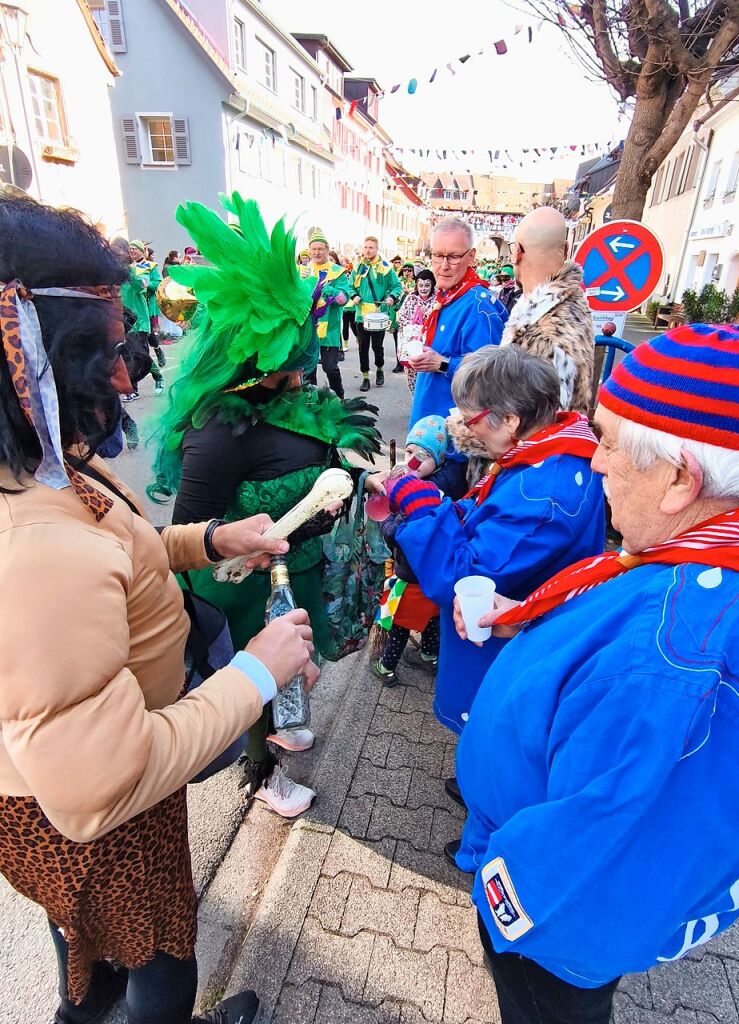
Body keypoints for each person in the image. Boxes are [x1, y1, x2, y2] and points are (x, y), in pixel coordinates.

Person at [0, 194, 319, 1024]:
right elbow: (102, 786)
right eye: (103, 353)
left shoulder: (39, 466)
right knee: (161, 965)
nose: (124, 376)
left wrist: (209, 540)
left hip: (64, 777)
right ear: (27, 355)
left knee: (87, 945)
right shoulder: (33, 544)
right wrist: (259, 671)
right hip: (96, 806)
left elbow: (118, 543)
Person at [452, 322, 739, 1024]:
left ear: (681, 477)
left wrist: (508, 894)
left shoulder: (677, 659)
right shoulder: (707, 563)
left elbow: (605, 870)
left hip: (553, 933)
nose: (594, 463)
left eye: (607, 441)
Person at [152, 192, 382, 818]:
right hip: (245, 589)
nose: (307, 363)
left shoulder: (293, 405)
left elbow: (316, 473)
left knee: (289, 674)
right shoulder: (219, 429)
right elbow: (190, 534)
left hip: (296, 570)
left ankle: (283, 725)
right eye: (296, 350)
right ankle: (264, 777)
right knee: (256, 677)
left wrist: (340, 494)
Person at [391, 344, 605, 742]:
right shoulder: (551, 451)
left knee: (496, 729)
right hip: (521, 636)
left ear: (509, 419)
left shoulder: (543, 494)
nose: (467, 429)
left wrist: (422, 510)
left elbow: (464, 576)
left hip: (507, 649)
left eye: (471, 420)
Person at [372, 415, 460, 683]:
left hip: (409, 578)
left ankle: (386, 667)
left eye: (422, 455)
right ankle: (429, 655)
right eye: (409, 451)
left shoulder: (417, 495)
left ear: (439, 459)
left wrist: (384, 518)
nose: (412, 461)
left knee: (398, 624)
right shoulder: (445, 486)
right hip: (434, 579)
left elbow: (396, 536)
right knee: (432, 620)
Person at [408, 218, 508, 454]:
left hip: (452, 446)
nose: (444, 265)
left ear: (471, 256)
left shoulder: (478, 307)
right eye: (437, 255)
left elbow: (489, 376)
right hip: (429, 432)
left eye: (453, 257)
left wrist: (442, 363)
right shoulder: (449, 296)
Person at [502, 206, 594, 413]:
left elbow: (535, 425)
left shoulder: (544, 331)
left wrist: (462, 431)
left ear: (516, 252)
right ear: (566, 248)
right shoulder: (571, 307)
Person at [303, 227, 350, 399]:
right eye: (314, 249)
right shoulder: (304, 271)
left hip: (330, 329)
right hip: (309, 329)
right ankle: (312, 402)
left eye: (320, 249)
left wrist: (327, 288)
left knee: (330, 368)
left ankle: (340, 398)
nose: (317, 252)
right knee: (309, 369)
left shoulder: (337, 271)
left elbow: (344, 299)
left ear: (327, 250)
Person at [351, 235, 402, 391]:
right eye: (365, 247)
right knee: (363, 347)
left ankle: (379, 369)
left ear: (377, 249)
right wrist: (354, 295)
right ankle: (365, 377)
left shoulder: (386, 267)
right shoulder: (357, 267)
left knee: (377, 347)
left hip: (379, 314)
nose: (367, 250)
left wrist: (391, 298)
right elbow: (350, 286)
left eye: (371, 247)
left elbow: (397, 286)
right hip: (362, 315)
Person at [397, 269, 437, 394]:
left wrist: (426, 318)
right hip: (412, 343)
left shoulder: (437, 300)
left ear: (432, 286)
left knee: (428, 376)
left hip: (430, 344)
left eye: (427, 285)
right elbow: (401, 317)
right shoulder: (411, 298)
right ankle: (415, 401)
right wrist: (413, 325)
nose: (423, 288)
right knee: (412, 374)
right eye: (421, 285)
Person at [129, 239, 166, 371]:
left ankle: (158, 350)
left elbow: (158, 283)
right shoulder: (130, 267)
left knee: (149, 335)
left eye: (135, 248)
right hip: (134, 305)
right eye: (130, 249)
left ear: (141, 251)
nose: (132, 251)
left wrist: (145, 285)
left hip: (148, 304)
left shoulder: (150, 266)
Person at [391, 262, 416, 374]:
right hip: (398, 316)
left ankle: (412, 361)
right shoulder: (398, 283)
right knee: (398, 341)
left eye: (409, 270)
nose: (407, 272)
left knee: (412, 341)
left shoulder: (417, 283)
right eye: (405, 270)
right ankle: (399, 363)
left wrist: (409, 292)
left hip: (412, 318)